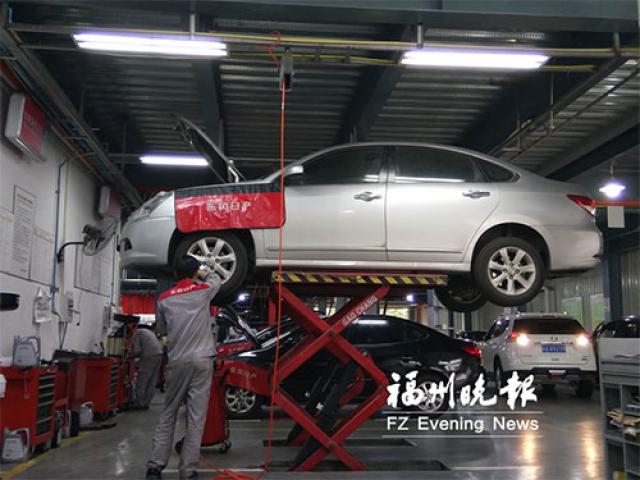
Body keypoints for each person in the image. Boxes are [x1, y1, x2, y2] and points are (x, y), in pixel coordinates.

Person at [146, 256, 221, 480]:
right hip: (202, 361)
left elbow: (161, 330)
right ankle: (187, 472)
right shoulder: (203, 291)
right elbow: (216, 279)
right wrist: (204, 270)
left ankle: (155, 467)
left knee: (168, 413)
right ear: (195, 273)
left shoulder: (164, 299)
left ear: (175, 274)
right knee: (196, 419)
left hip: (178, 361)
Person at [130, 324, 163, 409]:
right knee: (152, 380)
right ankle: (146, 402)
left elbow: (137, 351)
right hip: (159, 355)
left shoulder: (136, 333)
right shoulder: (148, 332)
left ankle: (139, 403)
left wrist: (129, 355)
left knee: (142, 379)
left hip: (149, 355)